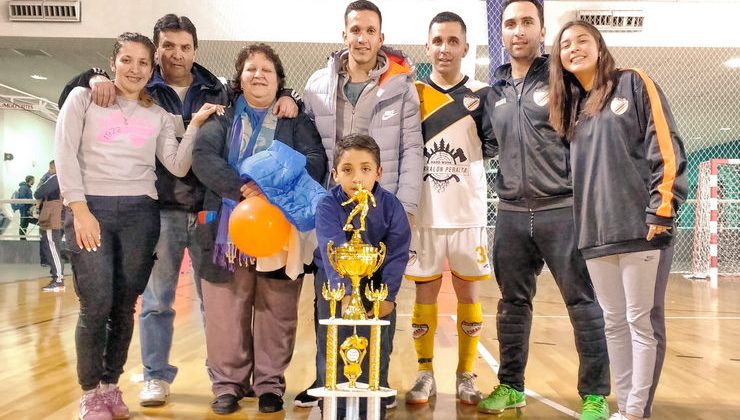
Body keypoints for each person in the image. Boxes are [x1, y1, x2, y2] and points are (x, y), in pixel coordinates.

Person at [57, 14, 300, 408]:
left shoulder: (215, 88)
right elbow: (74, 101)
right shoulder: (134, 88)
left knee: (215, 303)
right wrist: (93, 74)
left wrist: (291, 95)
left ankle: (223, 381)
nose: (176, 54)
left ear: (195, 51)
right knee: (153, 302)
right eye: (167, 46)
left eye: (184, 47)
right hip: (158, 211)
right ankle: (153, 377)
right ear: (157, 52)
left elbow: (259, 92)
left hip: (207, 211)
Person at [55, 32, 221, 420]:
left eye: (143, 63)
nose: (134, 69)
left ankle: (111, 387)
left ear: (152, 69)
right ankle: (90, 393)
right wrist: (79, 211)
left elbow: (178, 165)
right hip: (91, 210)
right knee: (95, 305)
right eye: (127, 60)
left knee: (125, 306)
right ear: (113, 63)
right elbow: (63, 153)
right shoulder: (84, 98)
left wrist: (194, 124)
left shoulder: (158, 115)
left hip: (141, 214)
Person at [476, 2, 611, 419]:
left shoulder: (562, 78)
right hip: (512, 214)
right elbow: (485, 141)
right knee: (512, 304)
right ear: (502, 31)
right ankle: (511, 386)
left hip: (562, 209)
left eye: (527, 23)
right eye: (511, 23)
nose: (518, 30)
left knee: (582, 302)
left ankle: (595, 395)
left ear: (541, 30)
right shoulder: (492, 92)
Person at [549, 21, 688, 420]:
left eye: (582, 41)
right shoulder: (572, 108)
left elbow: (666, 146)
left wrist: (662, 207)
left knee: (640, 323)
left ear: (599, 45)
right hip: (596, 236)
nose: (573, 48)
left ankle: (635, 412)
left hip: (642, 229)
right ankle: (624, 409)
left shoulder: (634, 82)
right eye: (565, 45)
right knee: (613, 324)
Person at [296, 0, 423, 409]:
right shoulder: (317, 84)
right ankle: (326, 380)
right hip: (335, 206)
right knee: (330, 308)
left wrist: (403, 207)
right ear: (344, 35)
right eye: (355, 30)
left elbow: (412, 147)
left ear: (381, 38)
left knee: (378, 314)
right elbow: (308, 142)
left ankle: (375, 383)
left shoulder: (401, 86)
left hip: (381, 214)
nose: (362, 37)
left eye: (370, 30)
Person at [191, 43, 326, 415]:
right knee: (225, 311)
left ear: (279, 79)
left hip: (279, 228)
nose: (258, 75)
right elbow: (203, 158)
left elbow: (316, 160)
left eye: (267, 69)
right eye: (251, 69)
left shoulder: (293, 120)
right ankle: (228, 385)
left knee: (276, 309)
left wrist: (273, 189)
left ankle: (269, 384)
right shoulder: (221, 117)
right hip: (224, 229)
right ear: (240, 77)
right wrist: (243, 189)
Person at [404, 11, 494, 406]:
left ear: (464, 46)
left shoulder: (484, 94)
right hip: (424, 212)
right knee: (425, 295)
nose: (444, 48)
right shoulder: (413, 93)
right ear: (427, 46)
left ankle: (466, 374)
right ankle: (425, 374)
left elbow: (494, 146)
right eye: (437, 41)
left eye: (452, 41)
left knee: (467, 294)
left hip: (466, 212)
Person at [315, 133, 411, 420]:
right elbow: (333, 249)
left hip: (377, 286)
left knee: (378, 345)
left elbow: (396, 254)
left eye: (366, 169)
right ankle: (334, 407)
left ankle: (374, 400)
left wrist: (388, 297)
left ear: (379, 172)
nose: (357, 177)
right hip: (333, 288)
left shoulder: (392, 206)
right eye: (347, 169)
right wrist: (344, 293)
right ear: (334, 174)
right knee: (332, 343)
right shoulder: (328, 205)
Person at [35, 160, 66, 292]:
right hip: (60, 216)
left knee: (53, 248)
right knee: (53, 247)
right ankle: (57, 278)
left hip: (52, 217)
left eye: (51, 167)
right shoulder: (66, 178)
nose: (49, 170)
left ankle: (58, 280)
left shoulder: (55, 178)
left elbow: (38, 192)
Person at [14, 175, 36, 239]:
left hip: (27, 209)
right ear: (30, 180)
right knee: (23, 223)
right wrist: (31, 201)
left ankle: (23, 238)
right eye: (33, 180)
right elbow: (22, 198)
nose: (34, 181)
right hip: (24, 209)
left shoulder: (27, 188)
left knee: (25, 223)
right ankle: (22, 239)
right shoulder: (24, 187)